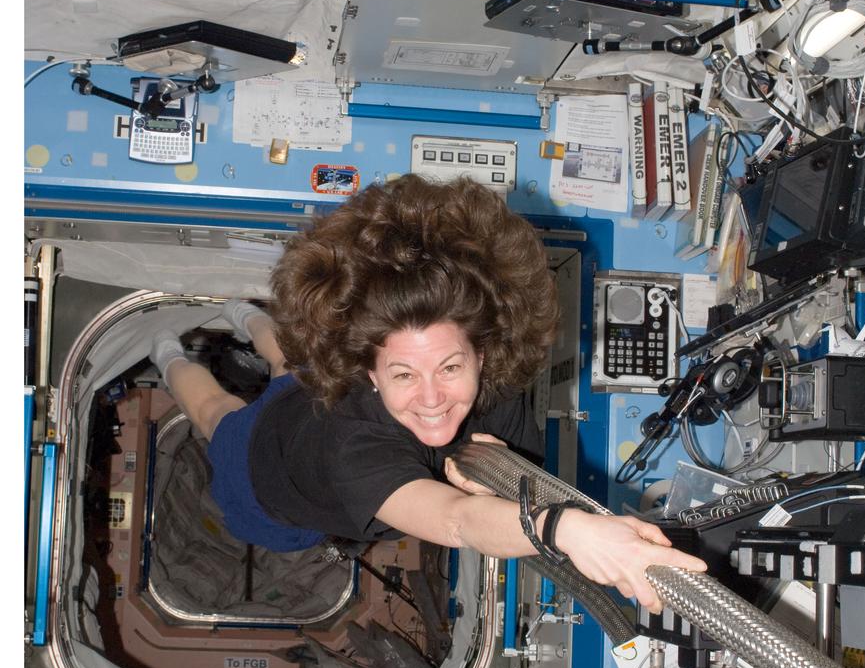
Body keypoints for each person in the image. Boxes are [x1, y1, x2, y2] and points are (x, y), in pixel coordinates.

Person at [151, 174, 706, 612]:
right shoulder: (355, 453)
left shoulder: (496, 387)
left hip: (310, 398)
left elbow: (487, 495)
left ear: (482, 355)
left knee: (287, 363)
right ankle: (164, 350)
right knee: (216, 410)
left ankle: (244, 315)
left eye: (449, 366)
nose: (433, 398)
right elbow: (457, 521)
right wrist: (564, 529)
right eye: (403, 376)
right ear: (366, 372)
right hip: (267, 469)